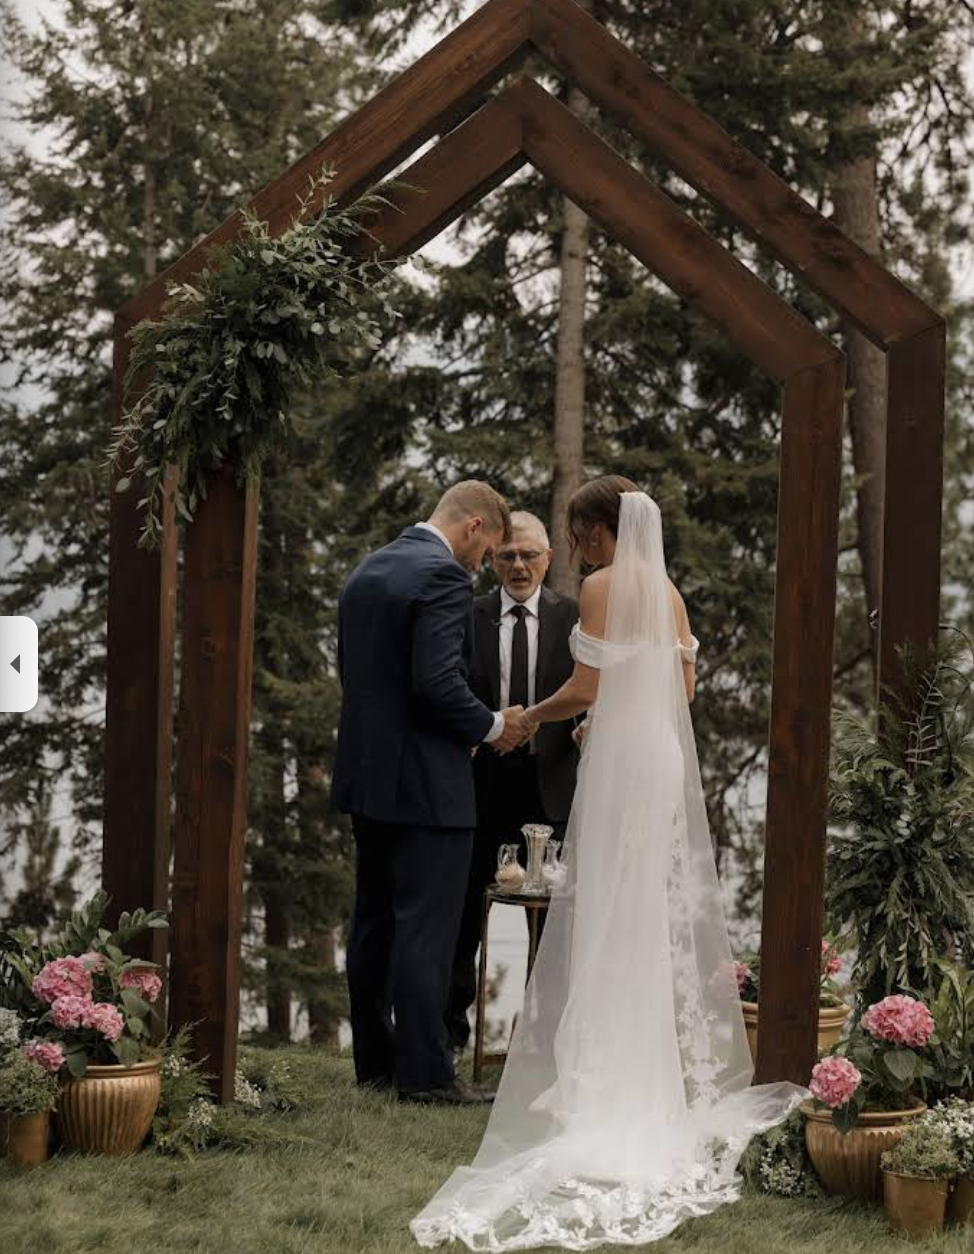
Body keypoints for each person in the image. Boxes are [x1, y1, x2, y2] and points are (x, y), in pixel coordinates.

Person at [412, 475, 804, 1247]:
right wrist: (621, 713)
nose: (581, 547)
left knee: (608, 909)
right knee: (642, 908)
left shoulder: (599, 585)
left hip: (624, 759)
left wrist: (537, 715)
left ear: (596, 530)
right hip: (657, 755)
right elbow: (682, 688)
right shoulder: (668, 589)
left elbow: (588, 681)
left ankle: (604, 1077)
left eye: (579, 532)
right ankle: (645, 1070)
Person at [333, 481, 532, 1106]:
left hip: (370, 777)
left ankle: (376, 1061)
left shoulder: (369, 569)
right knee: (428, 927)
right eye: (490, 550)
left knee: (373, 923)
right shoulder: (443, 578)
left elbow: (370, 679)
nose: (483, 565)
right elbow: (438, 683)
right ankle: (425, 1075)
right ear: (475, 528)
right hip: (428, 784)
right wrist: (495, 727)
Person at [446, 511, 580, 1059]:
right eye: (508, 556)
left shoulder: (573, 616)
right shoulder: (468, 615)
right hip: (480, 790)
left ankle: (543, 1050)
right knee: (461, 923)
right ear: (494, 560)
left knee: (552, 933)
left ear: (549, 559)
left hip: (553, 792)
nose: (518, 566)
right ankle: (448, 1040)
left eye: (529, 556)